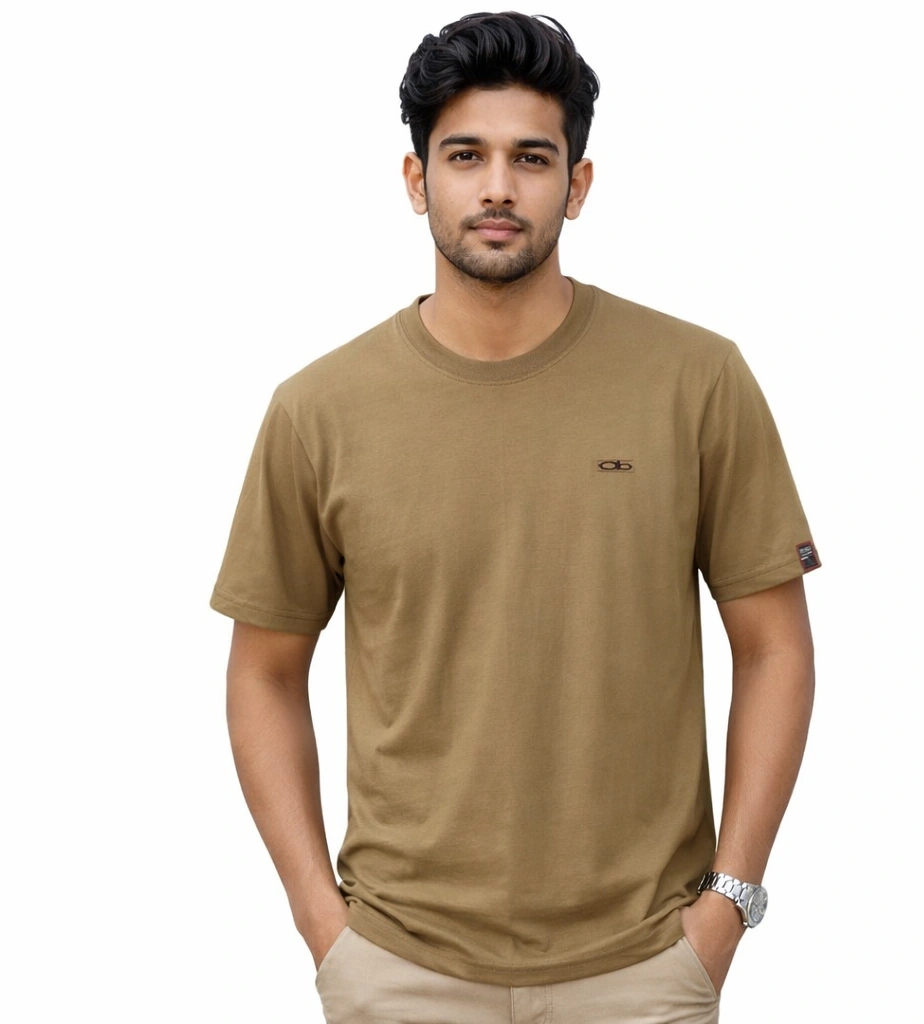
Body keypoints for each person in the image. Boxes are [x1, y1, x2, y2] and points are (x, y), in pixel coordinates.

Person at [209, 11, 821, 1023]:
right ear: (417, 180)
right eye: (466, 156)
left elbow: (774, 648)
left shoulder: (696, 380)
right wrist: (323, 924)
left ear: (577, 185)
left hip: (643, 964)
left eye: (531, 158)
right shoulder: (319, 410)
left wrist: (729, 904)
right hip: (398, 965)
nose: (497, 187)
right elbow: (263, 670)